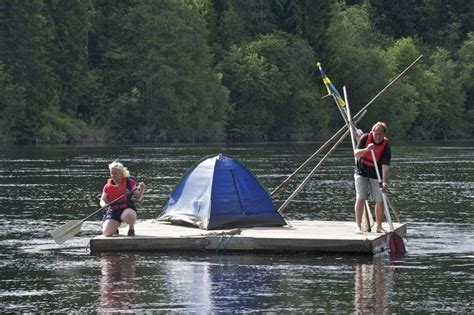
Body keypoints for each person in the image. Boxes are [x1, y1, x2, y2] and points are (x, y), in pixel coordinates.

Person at [353, 122, 391, 234]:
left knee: (380, 200)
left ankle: (379, 226)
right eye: (376, 134)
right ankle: (358, 227)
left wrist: (384, 183)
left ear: (384, 134)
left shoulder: (386, 145)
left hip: (376, 173)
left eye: (381, 134)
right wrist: (367, 150)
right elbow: (356, 153)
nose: (378, 136)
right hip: (361, 171)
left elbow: (386, 166)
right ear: (372, 132)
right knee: (361, 197)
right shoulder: (365, 138)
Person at [100, 161, 145, 237]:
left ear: (121, 173)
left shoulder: (129, 183)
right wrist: (103, 204)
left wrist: (142, 190)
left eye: (115, 173)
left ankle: (131, 228)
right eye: (111, 173)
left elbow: (139, 198)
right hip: (114, 211)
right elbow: (102, 200)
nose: (113, 175)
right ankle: (115, 228)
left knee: (128, 215)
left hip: (127, 209)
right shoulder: (107, 186)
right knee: (107, 233)